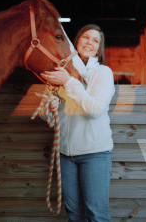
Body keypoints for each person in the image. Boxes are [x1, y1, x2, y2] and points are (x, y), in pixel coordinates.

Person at [40, 24, 115, 222]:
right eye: (85, 37)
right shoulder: (61, 73)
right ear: (76, 42)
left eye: (95, 40)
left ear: (99, 49)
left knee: (97, 215)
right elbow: (47, 118)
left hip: (95, 155)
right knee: (74, 214)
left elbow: (95, 109)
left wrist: (68, 82)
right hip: (65, 155)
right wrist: (50, 106)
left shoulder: (103, 73)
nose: (89, 42)